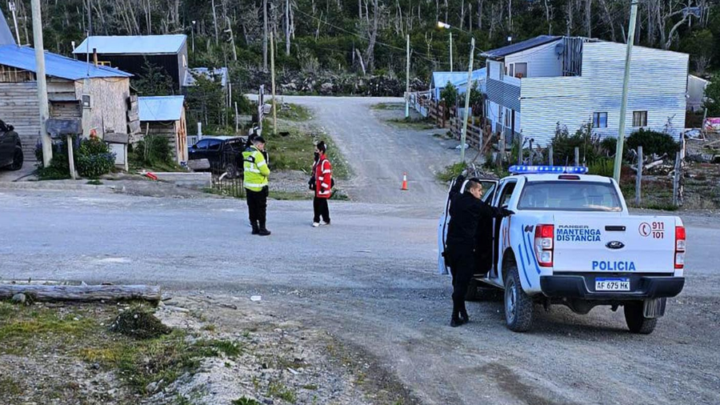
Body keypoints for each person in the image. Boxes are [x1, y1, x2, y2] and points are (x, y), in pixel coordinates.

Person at [445, 178, 512, 327]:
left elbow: (452, 193)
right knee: (462, 284)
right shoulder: (476, 205)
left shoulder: (456, 200)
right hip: (466, 250)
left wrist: (458, 180)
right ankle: (455, 317)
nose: (481, 193)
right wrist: (507, 212)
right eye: (480, 190)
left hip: (451, 248)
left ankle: (462, 313)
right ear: (472, 190)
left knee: (457, 281)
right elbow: (493, 212)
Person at [243, 136, 271, 236]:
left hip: (248, 186)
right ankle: (262, 229)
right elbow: (265, 171)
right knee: (261, 208)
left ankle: (255, 228)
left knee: (252, 207)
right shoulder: (258, 155)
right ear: (259, 145)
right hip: (259, 187)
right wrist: (268, 171)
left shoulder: (246, 153)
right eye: (262, 145)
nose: (263, 147)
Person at [309, 141, 332, 227]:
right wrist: (312, 181)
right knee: (323, 203)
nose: (315, 151)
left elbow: (327, 176)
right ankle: (326, 219)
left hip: (322, 187)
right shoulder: (318, 161)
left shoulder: (324, 162)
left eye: (317, 150)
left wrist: (323, 187)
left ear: (321, 151)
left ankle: (316, 220)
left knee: (317, 203)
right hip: (317, 186)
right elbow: (315, 173)